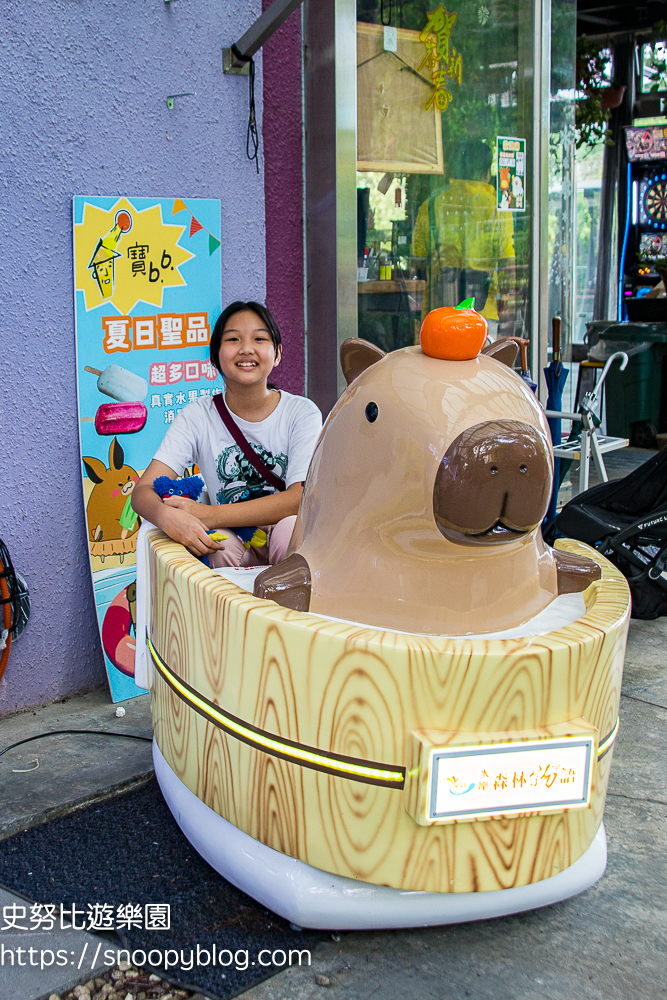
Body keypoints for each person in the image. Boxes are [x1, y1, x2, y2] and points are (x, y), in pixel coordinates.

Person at [132, 301, 323, 567]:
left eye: (259, 338)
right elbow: (143, 491)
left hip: (286, 536)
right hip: (234, 542)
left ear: (277, 353)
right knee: (217, 544)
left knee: (288, 531)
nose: (246, 349)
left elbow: (298, 499)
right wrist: (169, 518)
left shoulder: (302, 413)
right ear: (215, 355)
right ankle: (225, 609)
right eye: (233, 339)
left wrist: (210, 514)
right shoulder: (197, 416)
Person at [411, 141, 516, 339]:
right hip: (483, 316)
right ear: (487, 171)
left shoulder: (432, 204)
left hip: (438, 314)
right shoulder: (498, 207)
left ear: (455, 169)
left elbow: (417, 263)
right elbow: (508, 265)